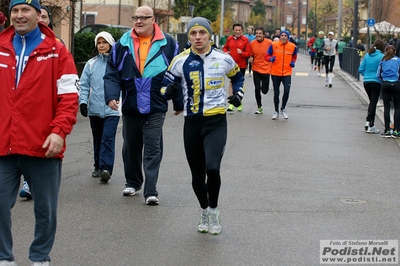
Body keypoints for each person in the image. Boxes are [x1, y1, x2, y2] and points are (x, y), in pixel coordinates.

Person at [0, 0, 79, 263]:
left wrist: (59, 131)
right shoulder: (0, 48)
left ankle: (39, 256)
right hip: (4, 145)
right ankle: (4, 258)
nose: (20, 15)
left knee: (45, 211)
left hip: (43, 146)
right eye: (15, 11)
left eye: (25, 10)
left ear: (38, 14)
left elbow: (69, 97)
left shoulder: (57, 50)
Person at [161, 17, 245, 235]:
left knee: (213, 168)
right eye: (193, 34)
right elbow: (163, 86)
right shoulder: (180, 61)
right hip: (192, 123)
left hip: (216, 121)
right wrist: (168, 92)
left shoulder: (223, 58)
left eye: (202, 33)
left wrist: (238, 94)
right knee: (198, 175)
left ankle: (214, 210)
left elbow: (238, 77)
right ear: (189, 37)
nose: (198, 37)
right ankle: (204, 209)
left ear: (210, 35)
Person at [103, 5, 180, 205]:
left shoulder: (168, 43)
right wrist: (111, 95)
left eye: (143, 18)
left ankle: (151, 190)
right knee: (131, 145)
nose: (139, 21)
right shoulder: (122, 43)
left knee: (153, 145)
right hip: (131, 101)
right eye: (136, 17)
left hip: (156, 101)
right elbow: (112, 72)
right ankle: (133, 181)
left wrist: (178, 101)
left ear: (153, 19)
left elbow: (177, 72)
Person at [79, 32, 120, 183]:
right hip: (95, 108)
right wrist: (83, 102)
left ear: (110, 44)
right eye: (99, 42)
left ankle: (106, 168)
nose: (101, 45)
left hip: (113, 109)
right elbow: (83, 86)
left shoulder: (117, 64)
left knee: (107, 138)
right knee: (98, 138)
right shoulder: (90, 64)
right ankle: (97, 165)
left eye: (104, 42)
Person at [265, 29, 297, 120]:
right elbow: (266, 55)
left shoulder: (292, 46)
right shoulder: (274, 45)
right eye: (282, 35)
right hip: (275, 72)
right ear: (280, 37)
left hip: (287, 72)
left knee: (286, 91)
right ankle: (276, 111)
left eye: (285, 36)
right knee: (276, 92)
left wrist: (293, 62)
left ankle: (283, 109)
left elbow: (294, 56)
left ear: (288, 37)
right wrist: (270, 59)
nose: (283, 37)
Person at [358, 39, 386, 134]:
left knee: (371, 102)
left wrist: (366, 75)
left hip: (366, 81)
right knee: (373, 103)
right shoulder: (382, 56)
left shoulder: (367, 55)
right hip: (376, 81)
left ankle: (368, 121)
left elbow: (360, 69)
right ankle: (370, 124)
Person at [222, 22, 250, 112]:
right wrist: (226, 52)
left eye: (239, 30)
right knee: (231, 82)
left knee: (239, 83)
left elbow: (249, 53)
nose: (237, 32)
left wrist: (242, 53)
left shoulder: (245, 40)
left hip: (241, 65)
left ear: (242, 31)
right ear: (233, 31)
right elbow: (225, 48)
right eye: (236, 30)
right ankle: (231, 103)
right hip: (231, 65)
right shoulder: (230, 38)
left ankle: (239, 101)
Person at [377, 45, 400, 138]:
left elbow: (378, 74)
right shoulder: (398, 60)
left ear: (386, 51)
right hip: (396, 84)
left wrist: (383, 81)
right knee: (397, 107)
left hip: (385, 84)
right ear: (395, 52)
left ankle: (386, 130)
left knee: (386, 107)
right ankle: (396, 131)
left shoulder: (383, 60)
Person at [249, 27, 272, 114]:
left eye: (260, 33)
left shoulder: (269, 43)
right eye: (257, 33)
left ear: (263, 35)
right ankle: (259, 107)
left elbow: (274, 51)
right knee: (257, 88)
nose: (258, 35)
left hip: (266, 69)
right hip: (256, 69)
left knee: (265, 91)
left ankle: (264, 87)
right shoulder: (252, 43)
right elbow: (251, 54)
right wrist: (250, 58)